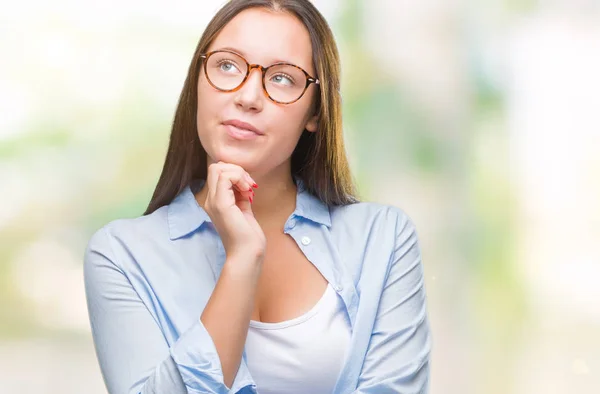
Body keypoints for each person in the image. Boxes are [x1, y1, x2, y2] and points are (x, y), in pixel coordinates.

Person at [83, 1, 432, 393]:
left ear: (315, 113)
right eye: (227, 65)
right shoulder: (121, 255)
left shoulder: (382, 239)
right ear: (197, 82)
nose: (248, 96)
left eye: (283, 78)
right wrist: (242, 260)